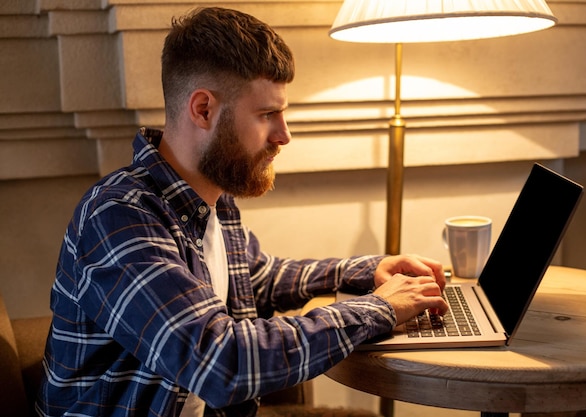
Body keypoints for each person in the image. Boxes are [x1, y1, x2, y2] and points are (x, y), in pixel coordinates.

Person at [36, 6, 448, 417]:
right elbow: (220, 361)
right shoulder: (119, 217)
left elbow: (255, 279)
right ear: (203, 110)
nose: (284, 135)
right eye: (268, 114)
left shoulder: (213, 197)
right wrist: (380, 308)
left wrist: (365, 270)